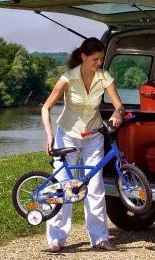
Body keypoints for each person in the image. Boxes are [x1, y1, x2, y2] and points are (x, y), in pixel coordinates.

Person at [41, 37, 125, 252]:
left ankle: (100, 238)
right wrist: (49, 136)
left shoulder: (104, 77)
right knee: (64, 185)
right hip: (67, 134)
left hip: (93, 136)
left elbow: (119, 105)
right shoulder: (67, 79)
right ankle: (56, 239)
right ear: (83, 57)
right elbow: (46, 108)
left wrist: (117, 112)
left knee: (94, 186)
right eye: (95, 59)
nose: (99, 63)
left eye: (101, 59)